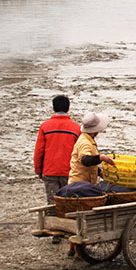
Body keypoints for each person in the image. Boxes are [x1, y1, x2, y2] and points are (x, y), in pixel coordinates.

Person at [34, 95, 81, 243]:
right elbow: (79, 151)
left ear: (53, 108)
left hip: (50, 171)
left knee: (52, 201)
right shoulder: (75, 128)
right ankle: (71, 229)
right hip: (69, 171)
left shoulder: (45, 126)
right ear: (68, 108)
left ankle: (56, 232)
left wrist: (38, 170)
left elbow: (39, 151)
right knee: (69, 201)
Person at [68, 112, 116, 186]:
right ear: (96, 132)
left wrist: (101, 174)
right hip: (78, 185)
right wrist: (101, 158)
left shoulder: (87, 139)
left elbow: (90, 164)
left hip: (84, 183)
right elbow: (85, 160)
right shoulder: (85, 142)